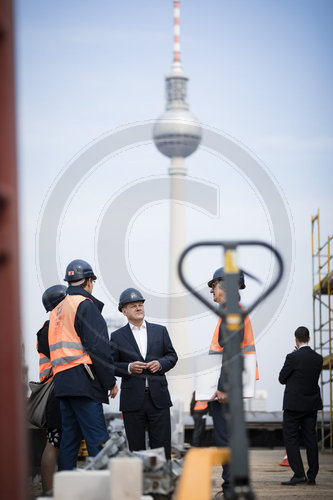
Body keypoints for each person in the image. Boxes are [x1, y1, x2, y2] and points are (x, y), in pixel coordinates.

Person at [48, 259, 118, 470]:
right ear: (89, 281)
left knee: (69, 441)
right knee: (98, 440)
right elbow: (99, 349)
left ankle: (65, 489)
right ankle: (104, 489)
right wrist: (110, 382)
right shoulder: (84, 305)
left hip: (62, 384)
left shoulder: (56, 310)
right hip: (83, 381)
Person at [207, 267, 258, 497]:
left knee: (225, 439)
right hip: (234, 385)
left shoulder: (231, 314)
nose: (211, 292)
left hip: (228, 388)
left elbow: (230, 353)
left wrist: (221, 387)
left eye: (214, 286)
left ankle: (229, 489)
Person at [110, 288, 178, 460]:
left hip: (159, 399)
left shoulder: (160, 331)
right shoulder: (117, 336)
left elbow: (172, 356)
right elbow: (110, 365)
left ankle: (163, 485)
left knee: (162, 449)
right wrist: (129, 367)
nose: (139, 308)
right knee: (136, 450)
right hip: (133, 401)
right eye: (133, 306)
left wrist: (161, 364)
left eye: (140, 304)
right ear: (124, 312)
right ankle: (138, 486)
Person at [279, 326, 323, 486]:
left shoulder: (292, 357)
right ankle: (312, 476)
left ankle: (299, 474)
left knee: (291, 439)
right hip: (311, 405)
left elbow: (282, 378)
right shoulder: (318, 358)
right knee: (311, 439)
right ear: (309, 338)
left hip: (293, 406)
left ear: (295, 339)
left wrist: (293, 354)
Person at [36, 284, 67, 495]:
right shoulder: (49, 330)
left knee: (58, 441)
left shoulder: (49, 329)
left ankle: (55, 491)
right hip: (56, 390)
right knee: (54, 441)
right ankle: (49, 492)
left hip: (58, 389)